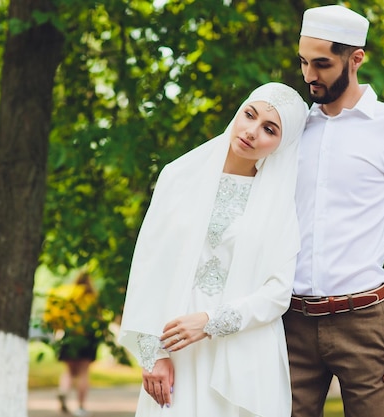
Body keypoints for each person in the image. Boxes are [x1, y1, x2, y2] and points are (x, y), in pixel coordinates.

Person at [284, 5, 384, 417]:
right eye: (303, 62)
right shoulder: (294, 129)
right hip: (290, 323)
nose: (309, 76)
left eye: (322, 64)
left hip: (365, 322)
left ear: (356, 59)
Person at [119, 82, 308, 416]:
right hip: (173, 344)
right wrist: (152, 352)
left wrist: (209, 322)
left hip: (243, 351)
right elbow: (149, 268)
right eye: (249, 115)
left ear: (283, 143)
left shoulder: (279, 204)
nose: (252, 131)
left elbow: (278, 292)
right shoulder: (178, 177)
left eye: (269, 129)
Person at [43, 271, 104, 417]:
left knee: (69, 371)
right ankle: (81, 407)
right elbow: (99, 318)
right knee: (83, 372)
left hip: (69, 336)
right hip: (87, 337)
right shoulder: (91, 297)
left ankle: (63, 391)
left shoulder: (68, 295)